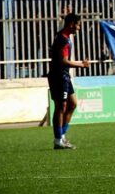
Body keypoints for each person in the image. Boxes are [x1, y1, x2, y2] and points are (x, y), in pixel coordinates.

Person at [48, 13, 90, 149]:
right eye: (78, 25)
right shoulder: (63, 39)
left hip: (64, 76)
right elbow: (63, 61)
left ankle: (62, 136)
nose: (78, 28)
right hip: (58, 76)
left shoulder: (65, 37)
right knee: (61, 107)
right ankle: (58, 140)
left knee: (72, 104)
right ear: (71, 23)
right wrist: (81, 65)